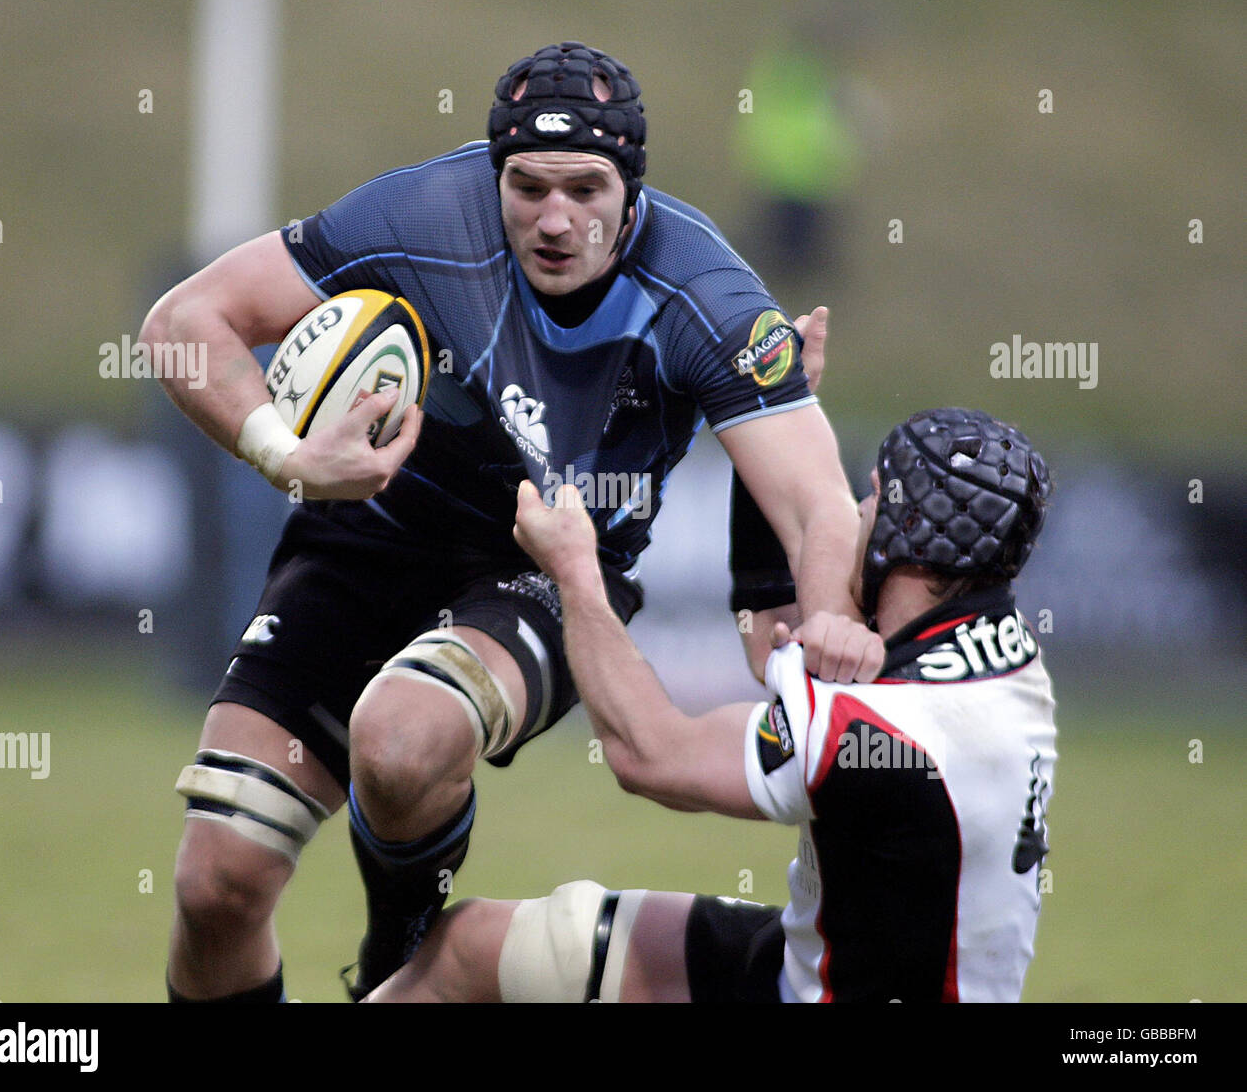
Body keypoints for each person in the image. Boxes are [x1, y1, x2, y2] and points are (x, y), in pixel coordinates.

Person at [141, 41, 882, 1003]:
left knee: (403, 741)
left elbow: (818, 501)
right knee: (216, 884)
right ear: (496, 175)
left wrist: (825, 620)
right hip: (364, 539)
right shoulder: (421, 216)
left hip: (547, 569)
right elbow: (183, 321)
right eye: (528, 186)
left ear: (632, 187)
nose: (556, 218)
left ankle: (396, 966)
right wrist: (289, 456)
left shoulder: (707, 295)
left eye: (585, 188)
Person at [364, 407, 1057, 1003]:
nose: (855, 512)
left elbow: (649, 755)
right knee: (470, 951)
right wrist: (766, 413)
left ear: (908, 538)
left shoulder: (880, 732)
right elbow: (776, 624)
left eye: (872, 499)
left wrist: (575, 571)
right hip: (811, 965)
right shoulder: (1001, 653)